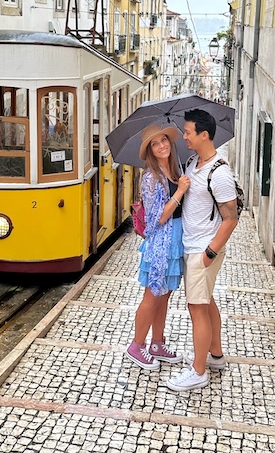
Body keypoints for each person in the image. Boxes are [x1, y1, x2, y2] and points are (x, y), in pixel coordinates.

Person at [164, 108, 238, 391]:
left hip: (201, 249)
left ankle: (198, 372)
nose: (184, 137)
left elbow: (231, 218)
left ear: (204, 134)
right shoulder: (195, 161)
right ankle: (215, 355)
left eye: (188, 132)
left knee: (196, 308)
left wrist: (209, 253)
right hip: (192, 244)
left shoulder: (219, 173)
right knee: (206, 302)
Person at [125, 123, 191, 370]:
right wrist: (180, 192)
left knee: (164, 295)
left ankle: (157, 343)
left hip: (176, 239)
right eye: (155, 143)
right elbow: (156, 218)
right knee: (152, 295)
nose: (162, 145)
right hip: (160, 243)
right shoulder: (151, 177)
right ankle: (136, 345)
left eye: (164, 140)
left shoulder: (174, 171)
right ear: (150, 151)